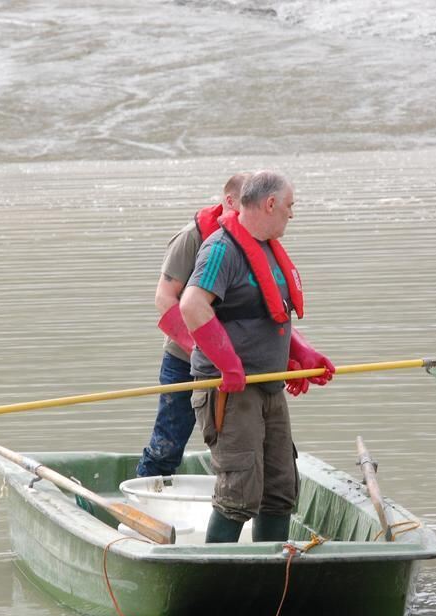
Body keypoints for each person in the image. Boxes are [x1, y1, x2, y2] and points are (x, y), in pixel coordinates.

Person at [179, 171, 336, 543]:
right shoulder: (221, 249)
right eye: (289, 206)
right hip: (231, 391)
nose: (291, 215)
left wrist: (303, 352)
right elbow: (192, 305)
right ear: (269, 204)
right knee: (239, 492)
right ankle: (219, 574)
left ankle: (273, 571)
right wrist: (228, 363)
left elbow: (269, 314)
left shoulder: (266, 248)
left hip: (267, 387)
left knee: (280, 488)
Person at [135, 173, 250, 478]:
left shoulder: (254, 239)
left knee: (242, 444)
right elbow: (165, 298)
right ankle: (141, 503)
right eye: (247, 201)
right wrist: (204, 349)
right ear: (230, 201)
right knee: (167, 446)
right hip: (185, 358)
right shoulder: (192, 237)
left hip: (236, 361)